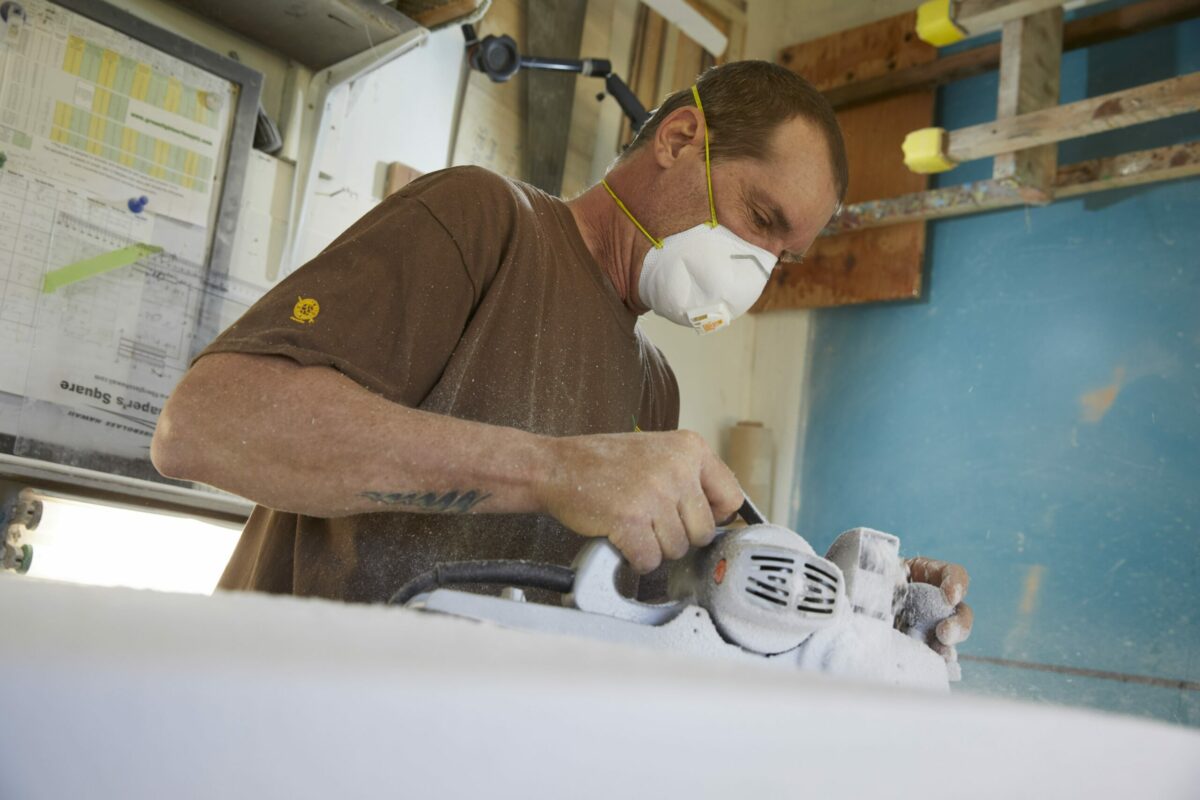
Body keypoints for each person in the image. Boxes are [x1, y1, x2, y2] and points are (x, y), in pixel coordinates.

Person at [152, 61, 971, 656]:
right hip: (276, 723)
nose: (757, 267)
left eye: (782, 256)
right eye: (761, 218)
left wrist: (865, 604)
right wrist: (549, 470)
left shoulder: (655, 388)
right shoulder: (484, 221)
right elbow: (206, 423)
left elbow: (643, 613)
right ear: (682, 138)